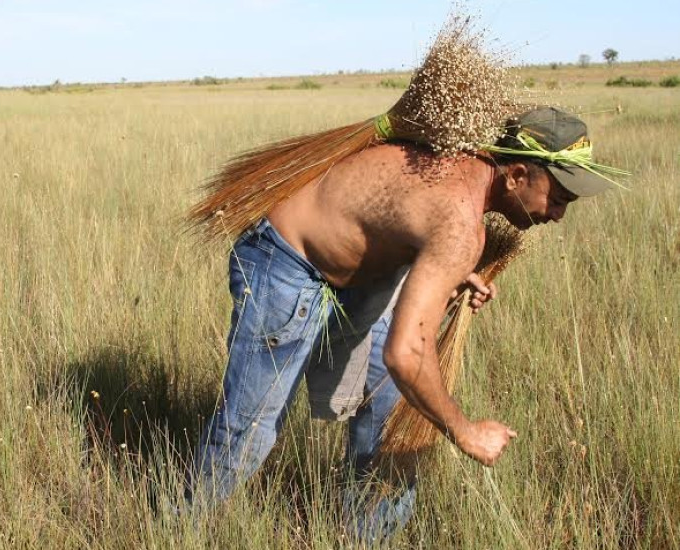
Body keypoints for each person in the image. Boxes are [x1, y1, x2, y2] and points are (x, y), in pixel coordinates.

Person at [189, 107, 621, 540]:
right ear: (518, 173)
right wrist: (466, 433)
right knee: (250, 429)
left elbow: (407, 216)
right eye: (559, 198)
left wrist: (451, 272)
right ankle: (181, 527)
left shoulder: (460, 162)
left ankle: (367, 536)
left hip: (358, 272)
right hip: (285, 259)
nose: (559, 215)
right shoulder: (460, 226)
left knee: (391, 412)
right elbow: (407, 353)